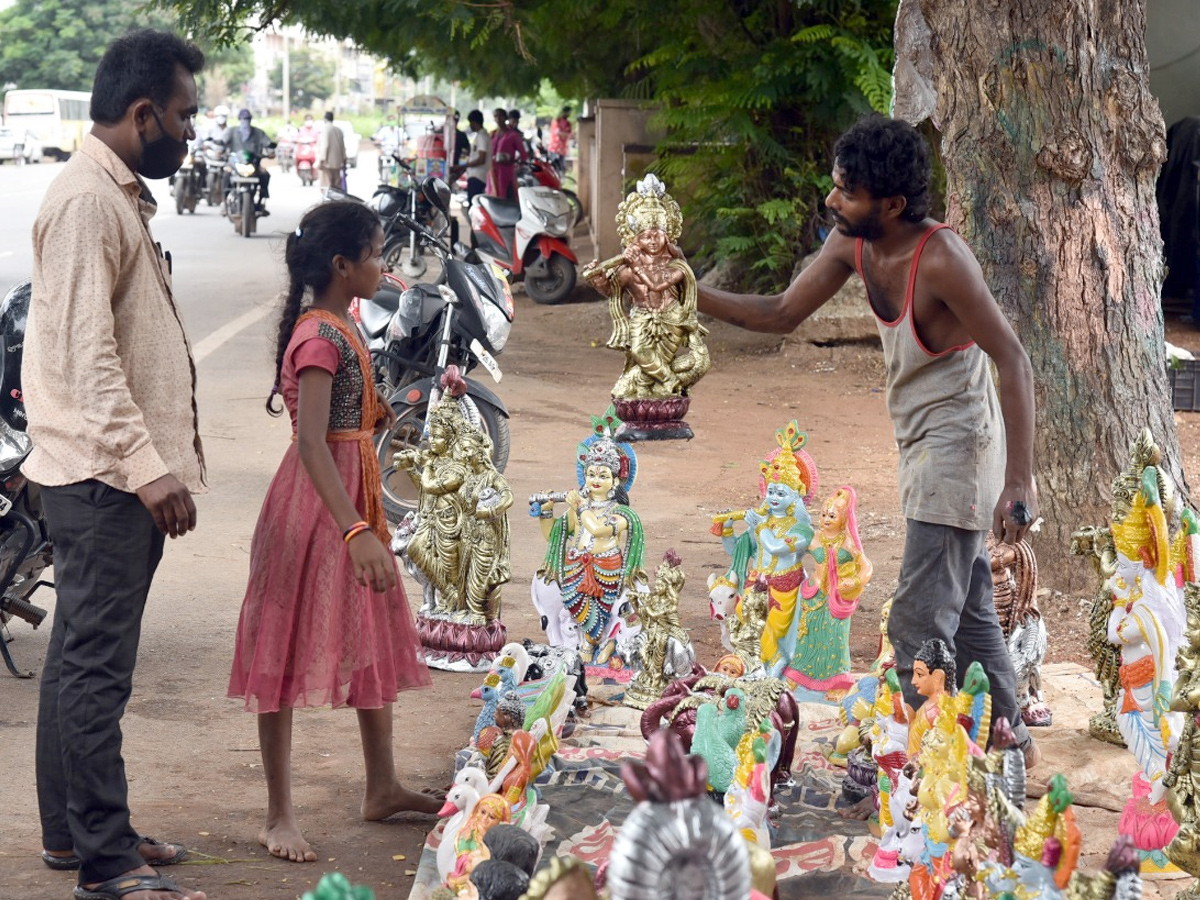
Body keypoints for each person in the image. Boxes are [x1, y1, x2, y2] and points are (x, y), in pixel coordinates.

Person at [696, 113, 1040, 766]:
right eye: (834, 186)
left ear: (891, 204)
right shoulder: (855, 241)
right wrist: (689, 290)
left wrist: (1018, 481)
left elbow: (1013, 360)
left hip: (960, 450)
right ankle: (1009, 744)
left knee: (915, 626)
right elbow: (780, 312)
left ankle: (907, 779)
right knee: (969, 615)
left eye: (845, 192)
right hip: (921, 446)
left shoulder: (942, 258)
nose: (831, 200)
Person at [26, 28, 207, 900]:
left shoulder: (114, 195)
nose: (190, 132)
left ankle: (76, 834)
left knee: (76, 662)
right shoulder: (90, 203)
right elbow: (85, 361)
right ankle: (106, 863)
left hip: (103, 476)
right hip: (102, 480)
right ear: (144, 115)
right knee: (97, 671)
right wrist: (148, 466)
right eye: (184, 116)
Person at [227, 202, 439, 863]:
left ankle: (382, 787)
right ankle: (277, 814)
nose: (386, 265)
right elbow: (314, 444)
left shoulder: (343, 322)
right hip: (317, 510)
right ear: (343, 266)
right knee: (281, 650)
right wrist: (354, 530)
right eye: (378, 254)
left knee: (368, 632)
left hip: (353, 502)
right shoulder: (319, 336)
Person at [228, 108, 273, 214]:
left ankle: (262, 199)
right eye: (243, 119)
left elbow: (267, 143)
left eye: (247, 118)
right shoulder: (232, 131)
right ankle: (224, 201)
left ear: (250, 119)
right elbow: (222, 140)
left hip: (254, 165)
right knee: (226, 174)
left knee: (265, 174)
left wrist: (271, 150)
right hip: (236, 164)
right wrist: (218, 145)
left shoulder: (258, 132)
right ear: (239, 119)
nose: (245, 121)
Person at [488, 107, 524, 200]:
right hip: (492, 170)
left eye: (501, 116)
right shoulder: (493, 134)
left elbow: (523, 154)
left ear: (505, 118)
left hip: (506, 170)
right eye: (496, 116)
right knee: (492, 193)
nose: (498, 119)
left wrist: (515, 163)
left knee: (505, 195)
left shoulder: (513, 135)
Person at [463, 109, 492, 208]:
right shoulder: (480, 136)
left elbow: (481, 158)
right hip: (476, 175)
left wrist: (465, 165)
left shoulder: (482, 136)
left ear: (474, 122)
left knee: (474, 207)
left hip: (477, 176)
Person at [316, 110, 347, 190]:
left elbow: (325, 145)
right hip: (338, 163)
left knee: (327, 186)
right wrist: (344, 160)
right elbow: (343, 146)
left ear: (324, 119)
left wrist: (322, 160)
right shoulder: (339, 130)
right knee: (336, 186)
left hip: (327, 163)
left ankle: (328, 201)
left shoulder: (325, 129)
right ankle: (336, 201)